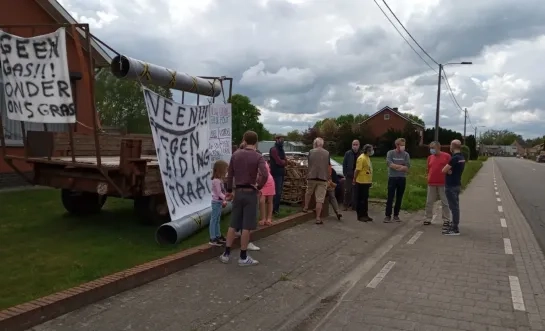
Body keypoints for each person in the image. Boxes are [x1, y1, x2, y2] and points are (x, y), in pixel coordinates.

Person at [220, 131, 268, 266]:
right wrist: (259, 186)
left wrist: (229, 190)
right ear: (256, 142)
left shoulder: (235, 155)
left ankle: (226, 254)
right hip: (251, 193)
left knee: (233, 223)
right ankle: (243, 256)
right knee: (247, 225)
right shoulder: (258, 157)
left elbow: (230, 175)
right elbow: (264, 174)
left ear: (244, 140)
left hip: (238, 192)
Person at [303, 137, 330, 224]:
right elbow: (328, 166)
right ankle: (318, 218)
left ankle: (306, 207)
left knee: (308, 192)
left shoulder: (311, 152)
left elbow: (308, 163)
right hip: (322, 178)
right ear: (322, 144)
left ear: (315, 144)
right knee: (320, 199)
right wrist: (328, 177)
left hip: (311, 176)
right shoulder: (327, 153)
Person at [442, 139, 465, 236]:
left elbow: (443, 170)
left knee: (454, 207)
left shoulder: (454, 158)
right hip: (457, 184)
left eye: (450, 145)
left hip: (450, 185)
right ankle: (454, 224)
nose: (450, 147)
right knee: (456, 206)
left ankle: (455, 228)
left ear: (453, 146)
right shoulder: (462, 157)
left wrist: (448, 171)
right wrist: (450, 171)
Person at [424, 141, 451, 226]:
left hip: (443, 183)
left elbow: (450, 168)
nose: (431, 150)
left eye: (433, 148)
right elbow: (428, 169)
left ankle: (446, 219)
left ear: (438, 148)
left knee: (445, 202)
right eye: (430, 148)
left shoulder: (446, 156)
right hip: (431, 182)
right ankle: (428, 218)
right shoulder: (430, 157)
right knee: (429, 201)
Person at [384, 138, 410, 223]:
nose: (403, 146)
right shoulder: (390, 153)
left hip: (402, 178)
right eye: (401, 145)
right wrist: (400, 166)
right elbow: (389, 164)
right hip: (392, 178)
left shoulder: (406, 155)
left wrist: (397, 166)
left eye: (404, 145)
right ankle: (387, 215)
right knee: (390, 197)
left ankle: (396, 215)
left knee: (399, 197)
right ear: (397, 145)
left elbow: (407, 168)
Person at [210, 160, 229, 246]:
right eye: (225, 169)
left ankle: (218, 235)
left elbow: (222, 191)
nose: (226, 171)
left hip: (219, 202)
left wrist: (224, 199)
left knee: (217, 219)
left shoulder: (219, 180)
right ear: (221, 170)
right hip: (216, 202)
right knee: (214, 220)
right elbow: (218, 192)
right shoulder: (216, 181)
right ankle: (213, 238)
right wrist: (226, 198)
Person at [354, 144, 374, 222]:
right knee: (361, 199)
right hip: (361, 181)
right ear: (367, 150)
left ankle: (365, 214)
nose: (372, 151)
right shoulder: (361, 158)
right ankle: (360, 215)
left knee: (365, 199)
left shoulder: (367, 157)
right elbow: (357, 170)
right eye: (371, 150)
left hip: (367, 181)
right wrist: (354, 178)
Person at [269, 134, 287, 215]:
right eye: (281, 139)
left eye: (283, 139)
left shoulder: (281, 149)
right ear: (277, 139)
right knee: (276, 192)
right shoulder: (273, 149)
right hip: (275, 173)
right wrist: (283, 162)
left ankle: (276, 209)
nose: (282, 140)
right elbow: (278, 161)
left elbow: (285, 160)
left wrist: (283, 162)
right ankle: (273, 209)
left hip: (281, 172)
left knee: (279, 192)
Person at [342, 140, 361, 210]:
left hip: (358, 175)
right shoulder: (348, 153)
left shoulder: (361, 154)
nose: (355, 146)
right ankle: (345, 205)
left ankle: (354, 206)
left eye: (356, 144)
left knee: (356, 191)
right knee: (347, 190)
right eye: (354, 144)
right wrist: (345, 173)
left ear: (359, 145)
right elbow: (344, 164)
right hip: (349, 175)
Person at [258, 158, 275, 226]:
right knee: (262, 201)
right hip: (262, 183)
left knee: (269, 201)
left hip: (269, 181)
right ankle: (263, 218)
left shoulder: (263, 162)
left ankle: (269, 218)